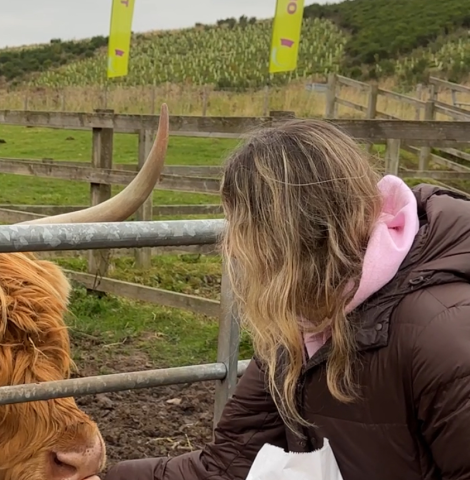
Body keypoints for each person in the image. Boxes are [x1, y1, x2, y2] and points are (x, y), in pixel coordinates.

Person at [102, 118, 470, 480]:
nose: (231, 246)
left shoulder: (443, 335)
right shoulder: (302, 322)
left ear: (292, 232)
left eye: (245, 228)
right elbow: (228, 466)